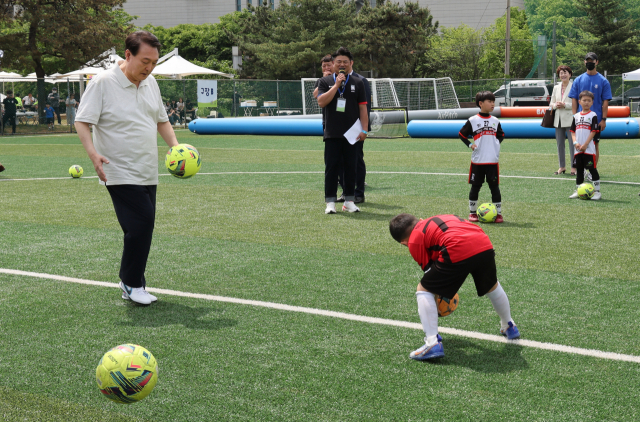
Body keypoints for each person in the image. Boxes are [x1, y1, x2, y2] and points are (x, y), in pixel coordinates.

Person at [75, 30, 179, 305]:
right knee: (142, 223)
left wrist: (175, 147)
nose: (149, 67)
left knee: (141, 226)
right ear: (128, 54)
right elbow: (82, 121)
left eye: (154, 62)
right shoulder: (102, 83)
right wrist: (93, 154)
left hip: (147, 169)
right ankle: (132, 283)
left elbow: (161, 121)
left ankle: (131, 281)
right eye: (145, 61)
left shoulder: (151, 83)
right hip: (117, 169)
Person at [389, 213, 520, 361]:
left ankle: (432, 343)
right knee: (492, 286)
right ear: (419, 220)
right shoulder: (441, 218)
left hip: (456, 247)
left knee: (424, 290)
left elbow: (431, 278)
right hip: (483, 242)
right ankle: (509, 325)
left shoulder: (413, 241)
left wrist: (441, 300)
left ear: (403, 243)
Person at [316, 47, 369, 214]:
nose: (342, 64)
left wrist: (365, 130)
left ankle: (349, 200)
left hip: (352, 133)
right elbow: (321, 102)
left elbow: (363, 109)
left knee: (350, 167)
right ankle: (330, 203)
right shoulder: (324, 82)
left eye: (345, 62)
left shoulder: (358, 82)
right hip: (332, 132)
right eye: (338, 61)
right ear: (333, 64)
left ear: (350, 63)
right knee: (331, 167)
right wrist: (336, 85)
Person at [458, 91, 505, 223]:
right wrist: (470, 145)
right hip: (478, 162)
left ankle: (499, 214)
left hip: (492, 161)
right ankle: (472, 213)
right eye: (489, 101)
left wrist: (495, 144)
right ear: (481, 103)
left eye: (493, 101)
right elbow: (461, 134)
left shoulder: (495, 121)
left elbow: (501, 135)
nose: (492, 104)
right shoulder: (473, 120)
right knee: (475, 187)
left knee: (494, 187)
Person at [569, 52, 612, 180]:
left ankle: (592, 171)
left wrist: (603, 119)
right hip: (581, 120)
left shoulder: (603, 81)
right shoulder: (578, 80)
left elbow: (605, 102)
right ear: (584, 62)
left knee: (594, 145)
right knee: (580, 144)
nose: (589, 63)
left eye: (592, 61)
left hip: (596, 120)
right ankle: (581, 172)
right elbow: (574, 100)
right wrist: (574, 117)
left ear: (597, 62)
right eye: (587, 60)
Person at [569, 91, 601, 200]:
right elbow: (572, 131)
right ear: (579, 102)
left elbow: (593, 131)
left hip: (589, 149)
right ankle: (578, 191)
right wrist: (575, 143)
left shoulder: (593, 115)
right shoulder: (576, 116)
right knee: (579, 171)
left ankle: (597, 192)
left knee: (592, 169)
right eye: (584, 100)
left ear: (592, 102)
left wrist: (585, 144)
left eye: (589, 100)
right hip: (578, 149)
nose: (586, 102)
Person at [550, 65, 576, 175]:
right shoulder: (556, 87)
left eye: (565, 72)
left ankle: (574, 168)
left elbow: (576, 103)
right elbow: (551, 103)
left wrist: (564, 105)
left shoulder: (574, 86)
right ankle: (562, 166)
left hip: (570, 119)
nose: (563, 75)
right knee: (560, 144)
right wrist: (556, 105)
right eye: (561, 73)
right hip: (558, 119)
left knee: (572, 144)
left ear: (570, 74)